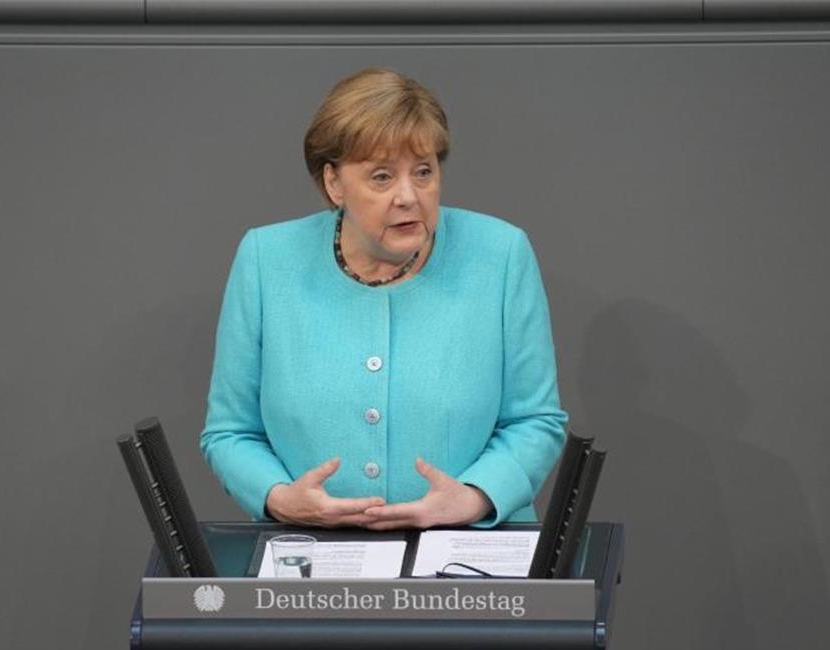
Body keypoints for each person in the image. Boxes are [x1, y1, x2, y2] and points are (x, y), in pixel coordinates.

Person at [199, 67, 567, 530]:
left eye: (424, 172)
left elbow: (536, 420)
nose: (408, 196)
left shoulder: (500, 254)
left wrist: (474, 498)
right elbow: (231, 432)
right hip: (311, 561)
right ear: (334, 183)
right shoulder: (265, 260)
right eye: (381, 177)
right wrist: (280, 498)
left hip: (469, 557)